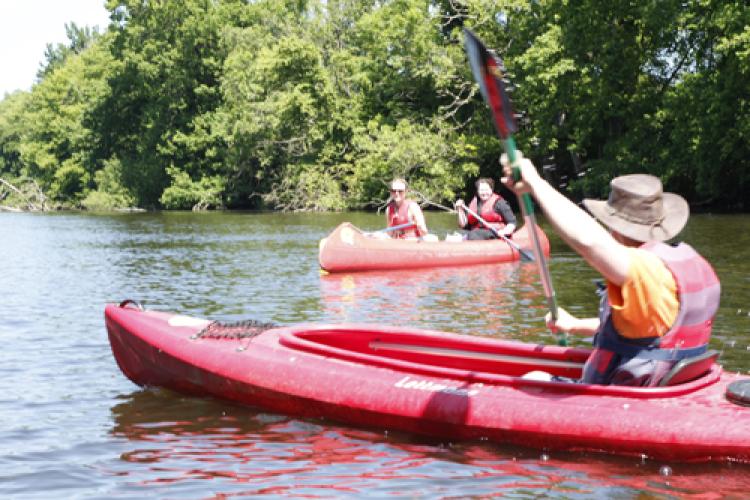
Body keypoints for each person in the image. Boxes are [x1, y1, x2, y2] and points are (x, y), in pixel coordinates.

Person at [500, 151, 720, 386]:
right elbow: (646, 333)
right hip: (674, 387)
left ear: (615, 229)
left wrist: (536, 183)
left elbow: (590, 241)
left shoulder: (642, 270)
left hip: (623, 399)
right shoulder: (689, 263)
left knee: (532, 379)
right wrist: (574, 325)